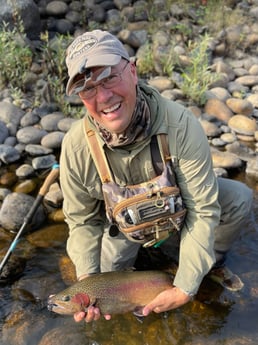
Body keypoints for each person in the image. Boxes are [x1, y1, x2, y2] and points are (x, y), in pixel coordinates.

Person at [59, 30, 253, 323]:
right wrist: (87, 280)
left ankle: (208, 264)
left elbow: (201, 209)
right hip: (124, 229)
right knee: (105, 269)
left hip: (181, 212)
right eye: (87, 88)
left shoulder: (180, 124)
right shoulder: (76, 146)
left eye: (110, 77)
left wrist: (186, 286)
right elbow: (83, 221)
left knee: (239, 198)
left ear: (133, 71)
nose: (103, 97)